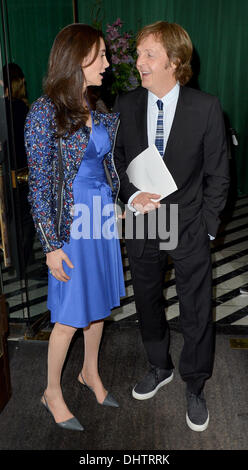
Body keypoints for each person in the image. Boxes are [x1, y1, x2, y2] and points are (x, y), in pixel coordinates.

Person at [114, 21, 230, 432]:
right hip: (144, 223)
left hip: (189, 223)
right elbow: (117, 162)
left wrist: (209, 228)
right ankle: (158, 365)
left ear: (174, 62)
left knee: (196, 308)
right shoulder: (126, 105)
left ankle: (195, 384)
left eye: (149, 55)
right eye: (139, 53)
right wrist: (129, 196)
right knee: (147, 301)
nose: (138, 62)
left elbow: (219, 174)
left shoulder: (206, 107)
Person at [25, 24, 125, 431]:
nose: (107, 62)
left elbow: (102, 164)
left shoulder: (94, 104)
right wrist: (51, 245)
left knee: (98, 308)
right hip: (70, 225)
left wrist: (114, 204)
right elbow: (39, 184)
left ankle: (90, 373)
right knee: (68, 315)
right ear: (77, 57)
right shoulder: (43, 112)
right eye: (100, 55)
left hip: (99, 218)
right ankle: (52, 390)